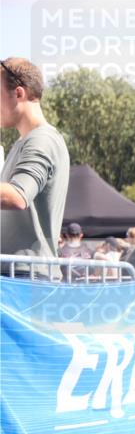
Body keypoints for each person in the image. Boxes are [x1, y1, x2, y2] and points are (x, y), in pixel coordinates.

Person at [0, 57, 70, 280]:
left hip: (26, 279)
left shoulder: (41, 140)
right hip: (20, 276)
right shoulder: (25, 142)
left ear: (18, 93)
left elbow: (18, 197)